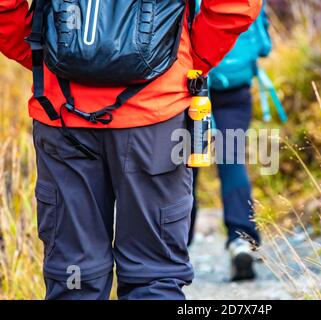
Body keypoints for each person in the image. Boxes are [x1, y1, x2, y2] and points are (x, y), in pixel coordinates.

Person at [0, 0, 262, 300]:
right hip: (156, 118)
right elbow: (235, 6)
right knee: (153, 276)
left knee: (73, 275)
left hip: (62, 113)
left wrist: (47, 60)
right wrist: (187, 61)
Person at [188, 1, 272, 281]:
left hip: (193, 86)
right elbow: (263, 46)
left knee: (185, 166)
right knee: (232, 161)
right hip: (235, 90)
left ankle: (175, 245)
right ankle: (241, 240)